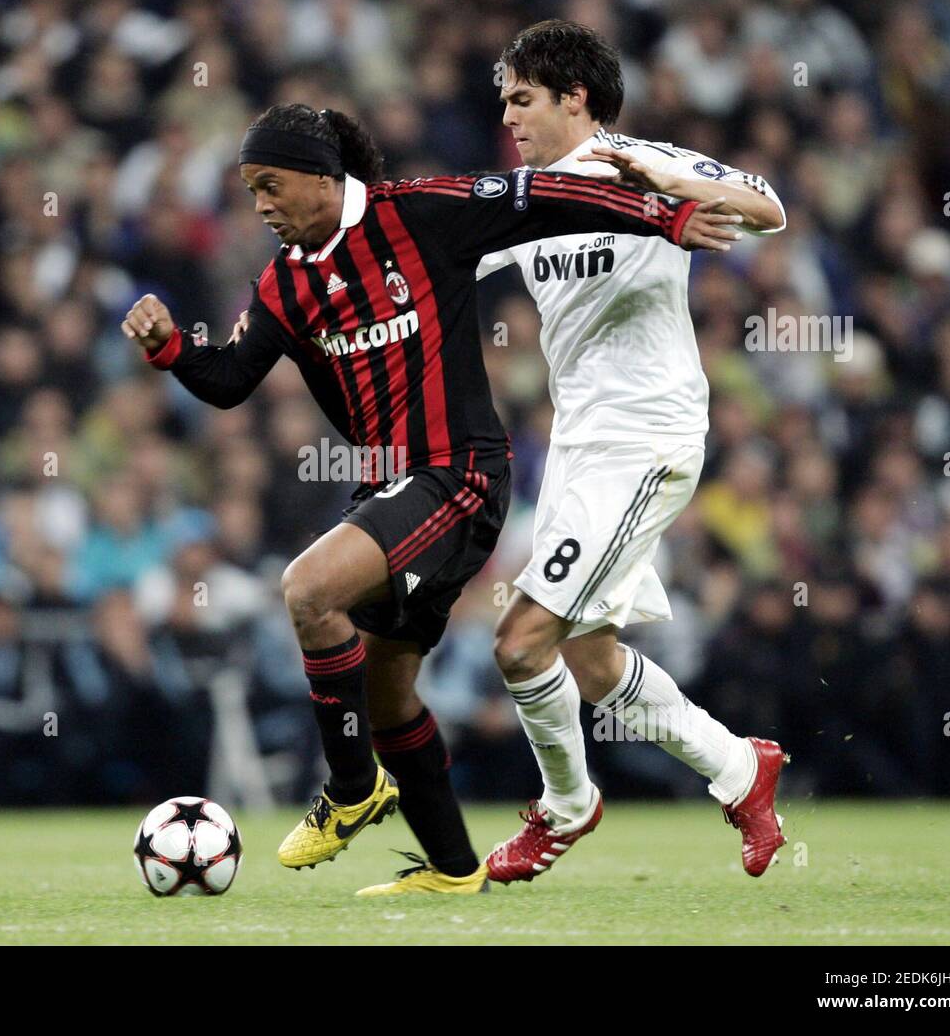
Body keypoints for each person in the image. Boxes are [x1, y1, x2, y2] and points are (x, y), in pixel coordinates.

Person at [124, 102, 741, 895]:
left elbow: (542, 195)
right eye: (250, 192)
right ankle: (453, 871)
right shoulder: (285, 285)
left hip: (461, 475)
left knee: (308, 590)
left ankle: (351, 790)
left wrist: (664, 213)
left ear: (322, 176)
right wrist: (172, 349)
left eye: (270, 186)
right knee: (387, 697)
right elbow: (229, 380)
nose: (260, 206)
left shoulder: (420, 215)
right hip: (393, 489)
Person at [479, 20, 790, 882]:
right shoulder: (525, 196)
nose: (509, 116)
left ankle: (567, 807)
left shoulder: (643, 167)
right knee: (588, 654)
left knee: (519, 642)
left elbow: (768, 205)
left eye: (523, 99)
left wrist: (665, 178)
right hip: (581, 449)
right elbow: (432, 260)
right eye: (505, 100)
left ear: (575, 98)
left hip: (646, 439)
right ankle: (739, 768)